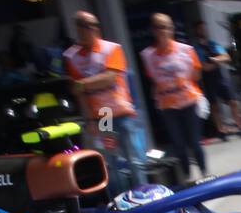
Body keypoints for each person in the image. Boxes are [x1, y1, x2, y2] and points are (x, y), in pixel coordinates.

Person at [63, 10, 146, 193]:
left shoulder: (111, 49)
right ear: (78, 28)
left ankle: (142, 194)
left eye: (94, 25)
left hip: (123, 112)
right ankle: (120, 200)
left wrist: (83, 83)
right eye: (87, 26)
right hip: (103, 115)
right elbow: (78, 93)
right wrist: (90, 120)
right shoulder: (72, 57)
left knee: (133, 159)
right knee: (112, 160)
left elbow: (110, 78)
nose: (93, 29)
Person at [140, 13, 207, 183]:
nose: (162, 31)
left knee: (194, 141)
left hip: (189, 101)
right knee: (178, 144)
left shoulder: (186, 50)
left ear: (172, 29)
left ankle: (205, 173)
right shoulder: (147, 55)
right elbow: (152, 79)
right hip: (168, 105)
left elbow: (196, 74)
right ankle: (187, 176)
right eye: (158, 27)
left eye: (166, 27)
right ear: (153, 30)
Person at [192, 21, 241, 139]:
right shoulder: (196, 48)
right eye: (200, 29)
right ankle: (221, 130)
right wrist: (218, 60)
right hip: (208, 80)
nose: (203, 31)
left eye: (204, 28)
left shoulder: (213, 44)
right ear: (196, 31)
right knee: (214, 106)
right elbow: (204, 67)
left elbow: (226, 57)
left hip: (221, 78)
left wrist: (214, 60)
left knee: (233, 102)